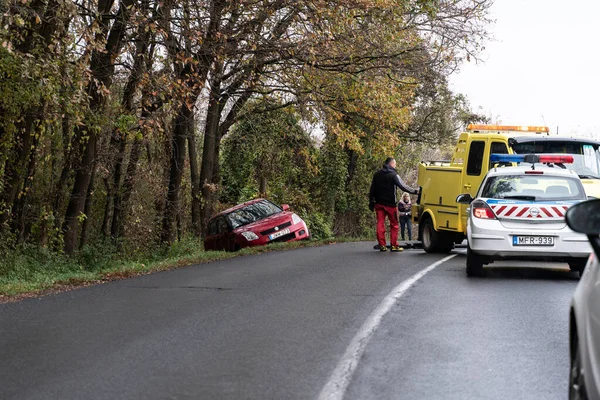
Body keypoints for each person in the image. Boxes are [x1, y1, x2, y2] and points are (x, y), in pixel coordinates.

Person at [369, 158, 419, 252]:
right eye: (395, 164)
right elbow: (403, 186)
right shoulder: (393, 175)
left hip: (379, 204)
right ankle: (394, 245)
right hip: (390, 205)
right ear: (391, 164)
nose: (396, 165)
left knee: (380, 223)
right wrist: (416, 191)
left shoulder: (377, 174)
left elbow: (372, 189)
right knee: (394, 224)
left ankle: (382, 245)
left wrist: (371, 201)